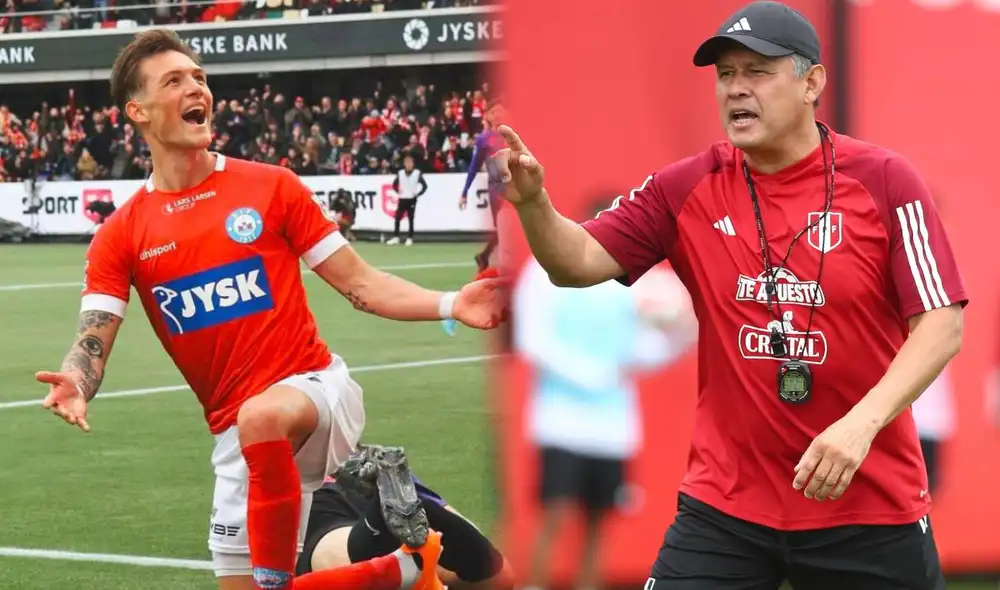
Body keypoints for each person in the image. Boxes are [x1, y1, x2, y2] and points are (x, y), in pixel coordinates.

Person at [490, 2, 967, 588]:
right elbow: (576, 263)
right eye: (725, 75)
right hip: (727, 508)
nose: (736, 89)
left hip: (867, 505)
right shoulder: (687, 186)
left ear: (811, 81)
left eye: (757, 71)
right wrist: (535, 204)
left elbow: (942, 324)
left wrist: (859, 426)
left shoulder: (884, 181)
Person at [35, 28, 505, 590]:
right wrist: (76, 381)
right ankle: (408, 560)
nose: (197, 88)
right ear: (136, 110)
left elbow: (362, 284)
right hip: (239, 445)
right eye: (175, 80)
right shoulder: (121, 234)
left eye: (200, 77)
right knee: (496, 579)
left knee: (261, 418)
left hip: (313, 392)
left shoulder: (271, 187)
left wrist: (452, 302)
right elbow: (94, 338)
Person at [513, 224, 697, 590]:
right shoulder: (544, 270)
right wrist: (587, 372)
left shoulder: (639, 283)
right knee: (556, 513)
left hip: (613, 428)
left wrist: (682, 331)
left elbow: (645, 349)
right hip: (560, 420)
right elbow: (532, 338)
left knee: (598, 523)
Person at [296, 449, 514, 590]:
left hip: (309, 493)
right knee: (499, 578)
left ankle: (386, 522)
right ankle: (402, 514)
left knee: (336, 554)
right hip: (356, 468)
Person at [460, 97, 508, 273]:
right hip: (496, 191)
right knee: (502, 229)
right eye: (493, 112)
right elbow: (474, 166)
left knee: (510, 229)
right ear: (487, 116)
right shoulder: (484, 139)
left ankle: (486, 256)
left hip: (514, 189)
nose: (497, 115)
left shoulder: (512, 134)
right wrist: (464, 192)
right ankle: (494, 261)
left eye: (500, 111)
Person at [388, 155, 428, 246]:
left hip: (411, 199)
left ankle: (410, 237)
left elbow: (424, 186)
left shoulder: (417, 173)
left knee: (410, 218)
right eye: (406, 162)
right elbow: (394, 184)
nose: (408, 164)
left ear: (413, 164)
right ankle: (396, 237)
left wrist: (417, 194)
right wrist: (398, 191)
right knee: (397, 218)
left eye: (410, 162)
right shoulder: (401, 173)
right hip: (402, 198)